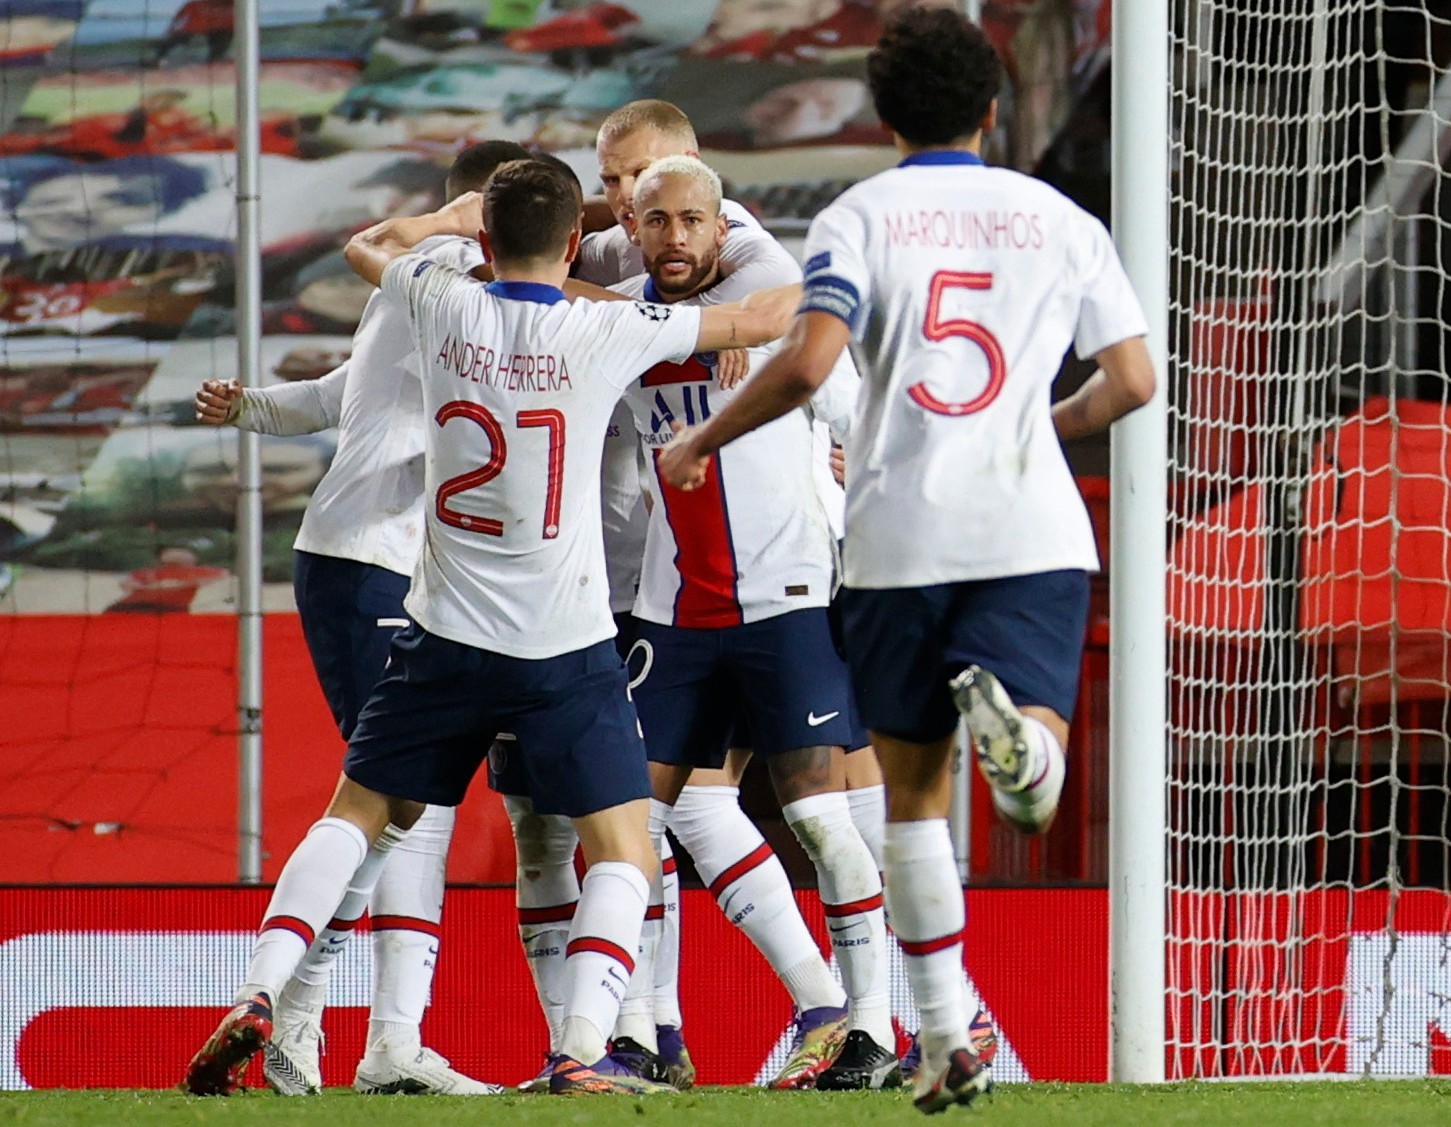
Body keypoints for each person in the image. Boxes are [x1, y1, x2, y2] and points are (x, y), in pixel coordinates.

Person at [180, 158, 800, 1097]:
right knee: (626, 845)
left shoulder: (437, 298)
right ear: (571, 243)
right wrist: (729, 226)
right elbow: (762, 318)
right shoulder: (608, 326)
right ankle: (580, 1050)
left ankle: (261, 994)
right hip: (564, 646)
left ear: (480, 240)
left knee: (359, 812)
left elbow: (371, 245)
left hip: (440, 633)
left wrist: (448, 217)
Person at [654, 9, 1155, 1111]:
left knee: (914, 801)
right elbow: (1130, 380)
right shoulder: (1058, 218)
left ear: (881, 117)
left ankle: (938, 1037)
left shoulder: (857, 216)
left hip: (896, 540)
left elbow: (807, 361)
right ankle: (1025, 749)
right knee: (1027, 771)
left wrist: (700, 435)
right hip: (1031, 530)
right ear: (990, 109)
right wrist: (1040, 425)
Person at [192, 140, 534, 1097]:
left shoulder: (420, 284)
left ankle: (340, 1025)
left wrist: (251, 407)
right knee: (389, 799)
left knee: (405, 804)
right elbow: (373, 251)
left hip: (387, 567)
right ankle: (316, 1018)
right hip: (369, 563)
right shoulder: (450, 278)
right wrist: (445, 224)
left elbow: (347, 397)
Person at [613, 154, 898, 1091]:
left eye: (693, 221)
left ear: (720, 221)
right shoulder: (624, 324)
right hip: (674, 615)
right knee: (633, 826)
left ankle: (870, 1026)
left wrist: (849, 469)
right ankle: (636, 1033)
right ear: (635, 225)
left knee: (816, 817)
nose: (675, 239)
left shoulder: (775, 294)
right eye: (656, 222)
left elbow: (849, 402)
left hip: (784, 602)